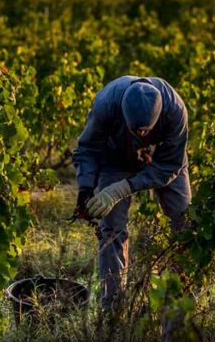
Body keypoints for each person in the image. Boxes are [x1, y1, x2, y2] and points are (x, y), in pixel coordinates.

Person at [73, 76, 190, 308]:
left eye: (146, 131)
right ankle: (113, 306)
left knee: (183, 221)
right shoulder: (106, 103)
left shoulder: (176, 111)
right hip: (115, 158)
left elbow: (170, 166)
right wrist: (85, 188)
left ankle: (181, 298)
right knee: (111, 230)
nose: (141, 136)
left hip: (163, 162)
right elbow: (87, 147)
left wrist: (123, 188)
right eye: (135, 130)